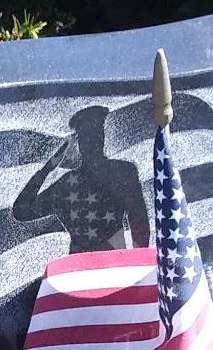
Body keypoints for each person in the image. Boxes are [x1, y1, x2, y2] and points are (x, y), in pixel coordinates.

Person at [13, 105, 149, 251]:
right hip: (82, 267)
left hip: (111, 264)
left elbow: (139, 224)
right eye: (87, 137)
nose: (92, 142)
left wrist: (135, 263)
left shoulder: (122, 172)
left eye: (96, 135)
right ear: (80, 143)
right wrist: (47, 169)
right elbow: (22, 211)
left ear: (102, 137)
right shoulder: (68, 183)